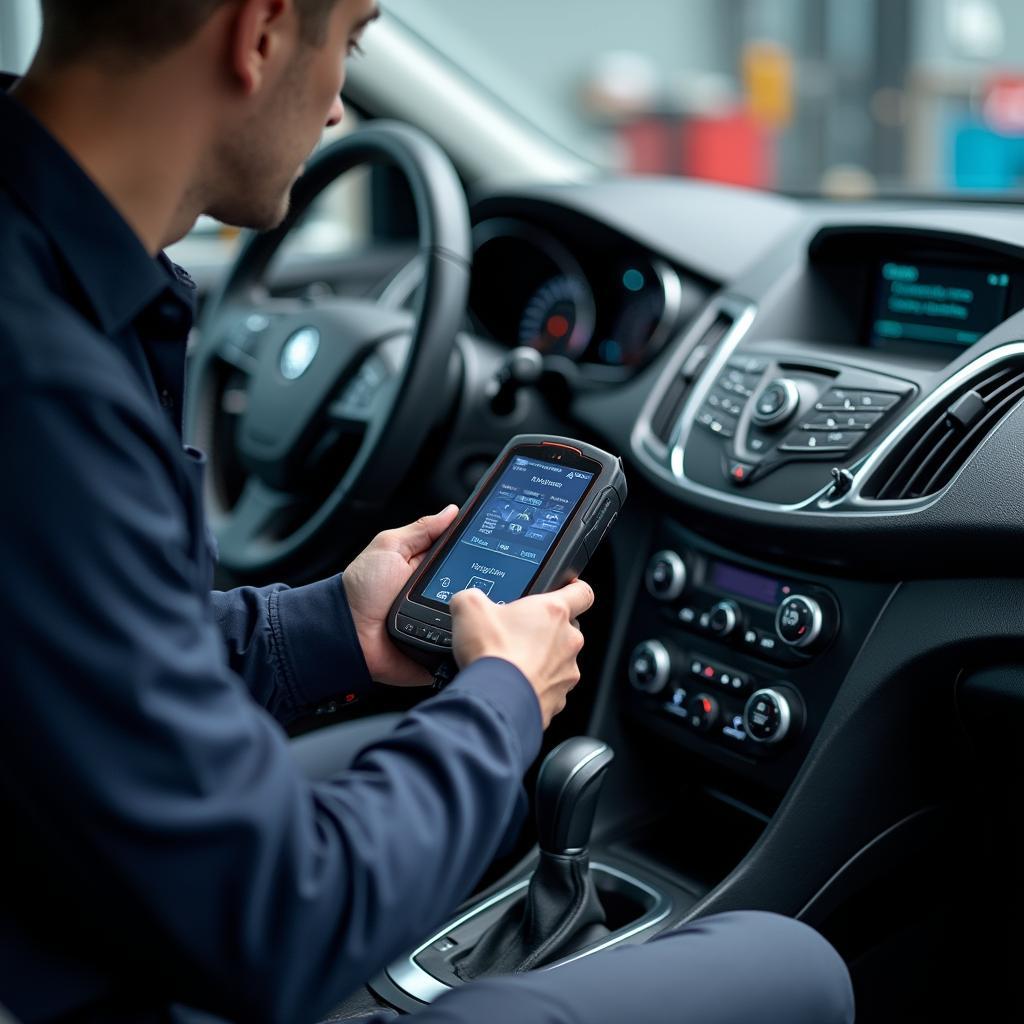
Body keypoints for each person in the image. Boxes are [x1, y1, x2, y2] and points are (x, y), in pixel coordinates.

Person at [0, 2, 855, 1022]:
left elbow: (76, 662)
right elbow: (279, 921)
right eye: (350, 43)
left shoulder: (41, 287)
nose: (339, 107)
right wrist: (502, 697)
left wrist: (329, 629)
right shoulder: (45, 389)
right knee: (792, 966)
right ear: (262, 31)